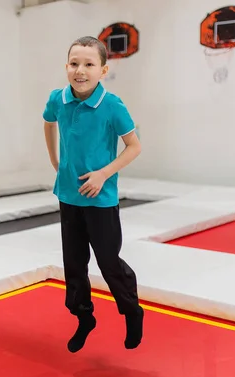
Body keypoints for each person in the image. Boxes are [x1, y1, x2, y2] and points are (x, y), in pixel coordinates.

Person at [42, 36, 144, 353]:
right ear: (66, 67)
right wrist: (55, 161)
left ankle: (132, 311)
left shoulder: (112, 105)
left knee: (109, 262)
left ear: (103, 70)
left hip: (100, 201)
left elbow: (134, 146)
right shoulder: (57, 99)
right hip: (68, 197)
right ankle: (84, 317)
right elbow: (48, 123)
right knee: (74, 265)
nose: (80, 71)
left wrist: (103, 173)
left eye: (89, 64)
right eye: (74, 64)